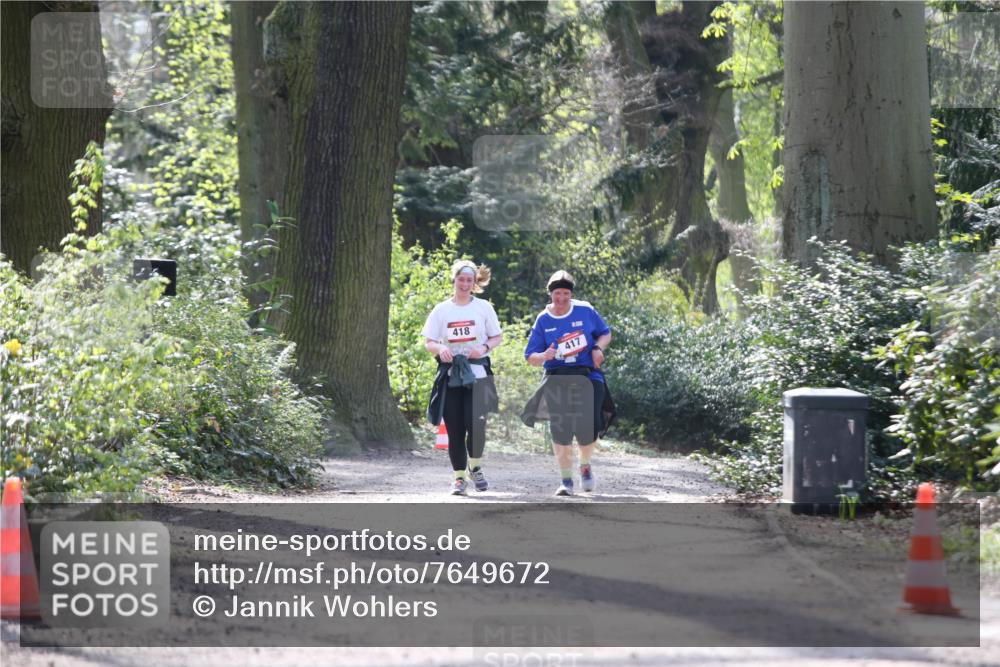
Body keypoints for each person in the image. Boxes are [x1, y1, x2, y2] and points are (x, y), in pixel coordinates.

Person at [522, 270, 615, 496]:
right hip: (556, 377)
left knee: (588, 428)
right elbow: (530, 357)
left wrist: (597, 348)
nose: (561, 298)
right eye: (557, 294)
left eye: (565, 293)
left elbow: (605, 333)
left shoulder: (584, 310)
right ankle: (566, 481)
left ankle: (584, 465)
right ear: (550, 294)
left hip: (587, 376)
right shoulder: (543, 319)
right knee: (560, 430)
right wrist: (545, 355)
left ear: (571, 294)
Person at [423, 260, 503, 496]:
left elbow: (497, 336)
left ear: (474, 282)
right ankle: (458, 479)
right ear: (454, 280)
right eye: (461, 279)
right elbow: (429, 341)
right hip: (450, 375)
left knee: (477, 425)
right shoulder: (441, 310)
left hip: (477, 373)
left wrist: (485, 347)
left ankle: (475, 466)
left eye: (470, 280)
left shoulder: (484, 308)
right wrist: (439, 349)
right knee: (455, 429)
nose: (465, 284)